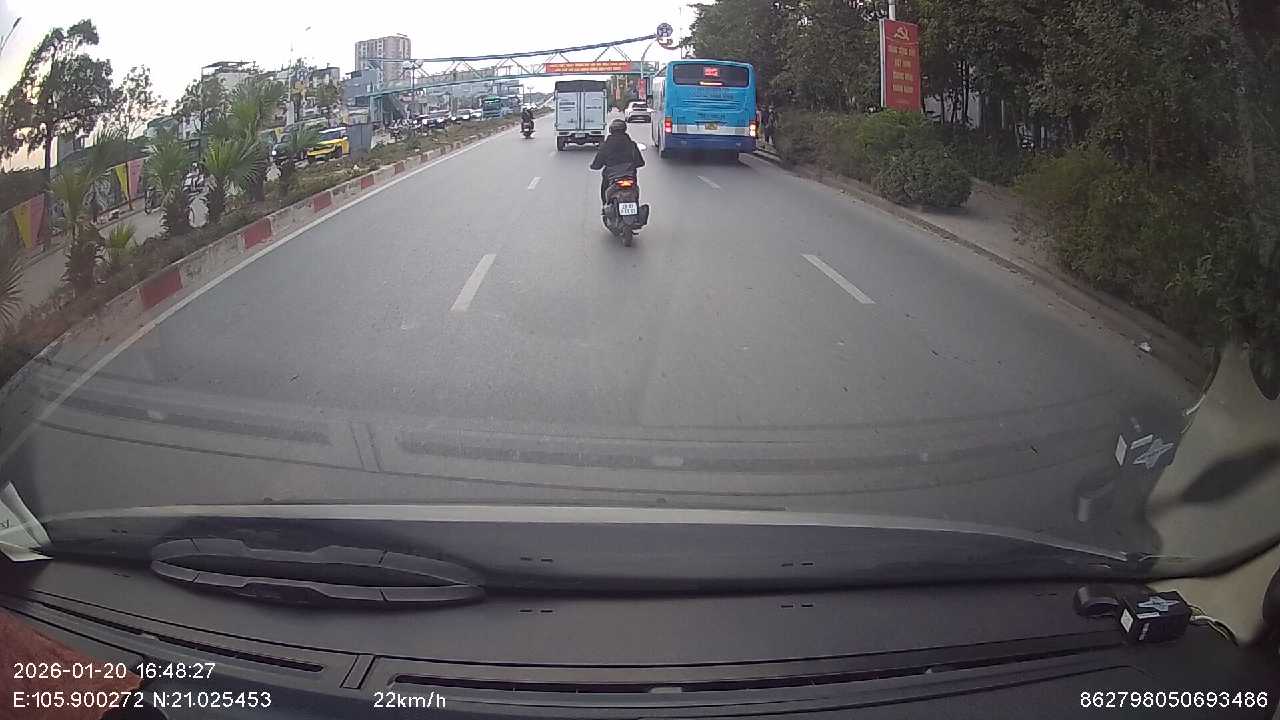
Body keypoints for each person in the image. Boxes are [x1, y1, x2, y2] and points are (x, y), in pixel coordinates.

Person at [590, 119, 645, 206]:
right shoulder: (631, 144)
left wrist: (593, 166)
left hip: (612, 178)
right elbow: (640, 162)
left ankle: (605, 205)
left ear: (611, 130)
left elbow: (597, 164)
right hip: (630, 176)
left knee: (604, 188)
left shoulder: (606, 145)